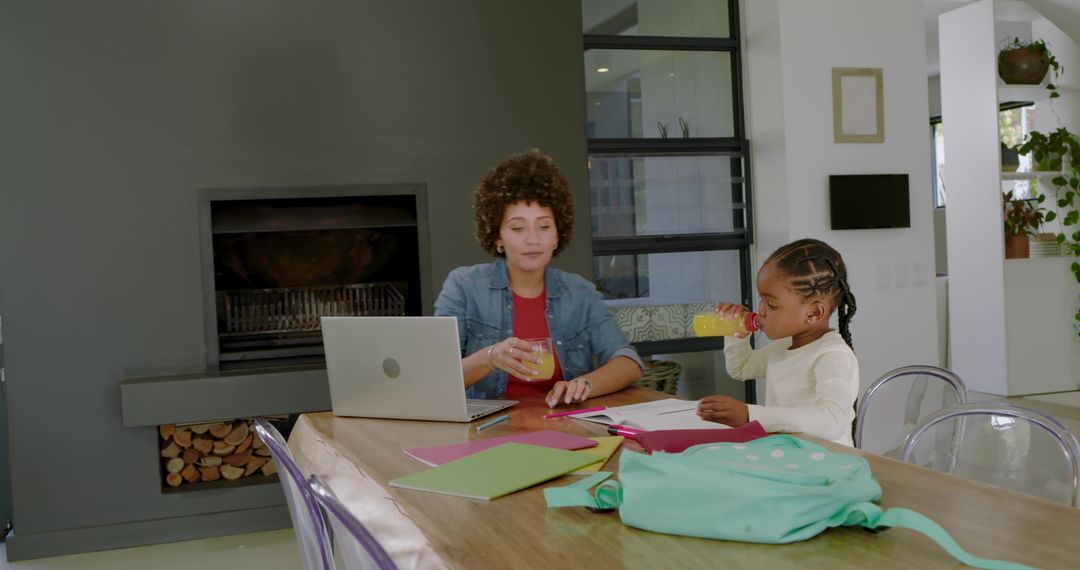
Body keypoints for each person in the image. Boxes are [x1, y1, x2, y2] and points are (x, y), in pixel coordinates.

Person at [434, 150, 643, 408]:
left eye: (544, 226)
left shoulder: (580, 293)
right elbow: (436, 378)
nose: (533, 239)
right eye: (518, 228)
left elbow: (628, 362)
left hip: (565, 426)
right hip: (486, 432)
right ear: (497, 236)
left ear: (557, 235)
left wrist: (585, 385)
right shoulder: (464, 287)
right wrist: (490, 357)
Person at [696, 238, 859, 446]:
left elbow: (832, 421)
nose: (761, 310)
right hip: (789, 454)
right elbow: (741, 368)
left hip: (829, 464)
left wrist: (750, 415)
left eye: (772, 305)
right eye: (761, 299)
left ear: (814, 312)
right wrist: (736, 333)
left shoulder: (832, 355)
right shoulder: (785, 347)